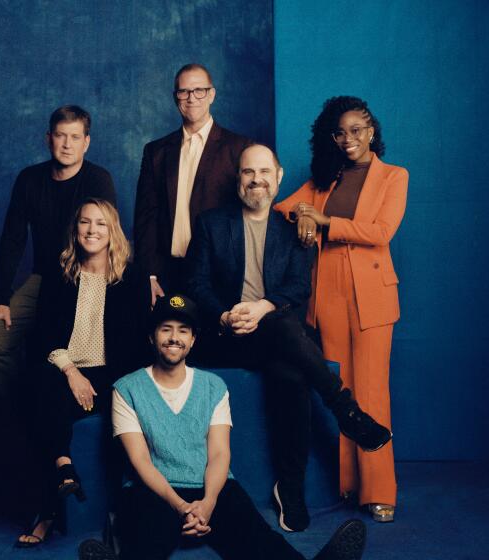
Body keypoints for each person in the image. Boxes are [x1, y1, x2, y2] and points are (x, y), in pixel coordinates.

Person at [184, 144, 391, 533]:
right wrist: (226, 314)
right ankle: (347, 411)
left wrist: (262, 308)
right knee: (288, 335)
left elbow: (297, 288)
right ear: (238, 178)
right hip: (225, 334)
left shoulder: (293, 227)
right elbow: (195, 282)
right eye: (248, 172)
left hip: (275, 333)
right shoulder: (213, 223)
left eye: (264, 172)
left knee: (290, 366)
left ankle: (290, 487)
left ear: (278, 178)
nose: (256, 179)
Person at [92, 293, 368, 560]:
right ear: (152, 337)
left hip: (210, 484)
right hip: (153, 487)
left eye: (183, 331)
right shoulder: (127, 389)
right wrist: (181, 506)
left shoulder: (213, 387)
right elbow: (141, 461)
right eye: (166, 330)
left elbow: (220, 454)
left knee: (257, 537)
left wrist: (209, 502)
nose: (174, 338)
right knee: (149, 536)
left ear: (193, 339)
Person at [275, 96, 408, 523]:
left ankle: (380, 490)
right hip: (328, 296)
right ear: (331, 138)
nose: (348, 138)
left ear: (372, 132)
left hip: (372, 295)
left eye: (357, 130)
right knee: (341, 390)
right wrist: (306, 216)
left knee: (372, 391)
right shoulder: (324, 179)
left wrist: (325, 221)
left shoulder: (393, 176)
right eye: (340, 132)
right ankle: (351, 486)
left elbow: (382, 231)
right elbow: (285, 207)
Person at [15, 198, 150, 547]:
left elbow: (137, 343)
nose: (92, 230)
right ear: (75, 230)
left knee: (48, 406)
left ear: (112, 232)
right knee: (40, 385)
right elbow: (43, 335)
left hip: (111, 375)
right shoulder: (61, 274)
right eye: (85, 223)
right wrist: (72, 371)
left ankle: (75, 502)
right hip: (65, 370)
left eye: (101, 224)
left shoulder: (131, 277)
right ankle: (60, 473)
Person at [0, 105, 117, 402]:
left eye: (75, 137)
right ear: (48, 138)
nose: (67, 144)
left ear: (86, 142)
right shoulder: (29, 179)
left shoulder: (98, 179)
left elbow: (106, 236)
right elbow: (13, 239)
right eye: (60, 135)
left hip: (83, 280)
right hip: (44, 278)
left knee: (60, 348)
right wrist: (2, 299)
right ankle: (23, 407)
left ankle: (53, 409)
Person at [134, 63, 251, 305]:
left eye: (199, 90)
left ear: (212, 94)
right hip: (168, 273)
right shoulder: (156, 151)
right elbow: (146, 217)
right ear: (175, 96)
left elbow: (248, 215)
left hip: (218, 274)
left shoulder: (239, 149)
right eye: (184, 91)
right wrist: (149, 275)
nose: (191, 98)